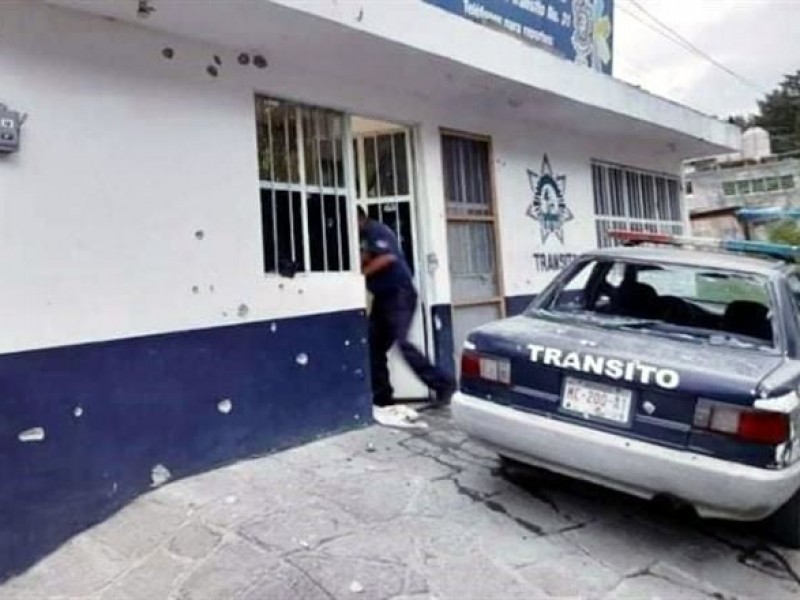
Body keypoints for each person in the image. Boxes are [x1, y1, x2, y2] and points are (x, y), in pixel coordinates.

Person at [358, 206, 456, 408]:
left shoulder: (376, 230)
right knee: (373, 347)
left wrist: (360, 274)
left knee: (403, 344)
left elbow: (387, 258)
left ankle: (445, 384)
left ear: (359, 217)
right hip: (383, 296)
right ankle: (382, 398)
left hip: (398, 294)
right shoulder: (363, 237)